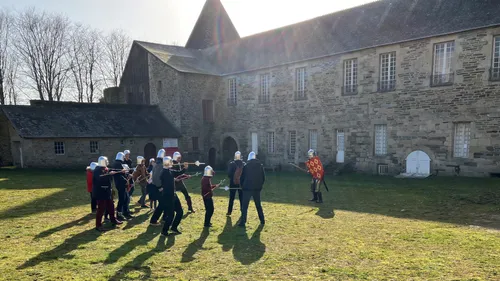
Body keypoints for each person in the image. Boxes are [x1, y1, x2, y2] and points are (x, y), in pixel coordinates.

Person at [93, 156, 123, 231]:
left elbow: (110, 173)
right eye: (106, 161)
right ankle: (98, 225)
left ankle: (113, 220)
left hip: (107, 192)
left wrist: (119, 171)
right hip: (100, 193)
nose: (107, 162)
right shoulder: (97, 170)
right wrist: (110, 174)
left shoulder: (105, 169)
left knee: (111, 206)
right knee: (101, 209)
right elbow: (101, 178)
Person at [238, 151, 266, 227]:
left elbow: (242, 178)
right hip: (256, 189)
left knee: (245, 206)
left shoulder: (246, 166)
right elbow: (263, 178)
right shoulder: (260, 166)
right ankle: (262, 220)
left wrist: (242, 186)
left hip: (247, 189)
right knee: (258, 205)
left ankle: (243, 222)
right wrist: (259, 186)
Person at [113, 152, 132, 221]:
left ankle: (126, 212)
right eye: (123, 157)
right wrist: (125, 180)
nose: (124, 158)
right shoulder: (117, 164)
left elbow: (122, 173)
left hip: (123, 184)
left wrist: (127, 176)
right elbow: (119, 175)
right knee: (122, 199)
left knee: (126, 198)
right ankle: (119, 215)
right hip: (120, 184)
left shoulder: (119, 163)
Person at [150, 149, 166, 224]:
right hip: (158, 187)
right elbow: (156, 177)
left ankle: (165, 217)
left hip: (156, 186)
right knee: (162, 204)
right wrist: (160, 187)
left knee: (164, 203)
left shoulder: (157, 164)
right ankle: (153, 220)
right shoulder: (159, 165)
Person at [226, 151, 244, 216]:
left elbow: (229, 174)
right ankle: (242, 211)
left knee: (231, 198)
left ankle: (229, 211)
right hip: (241, 184)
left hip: (232, 183)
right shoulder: (243, 164)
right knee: (241, 198)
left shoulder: (231, 164)